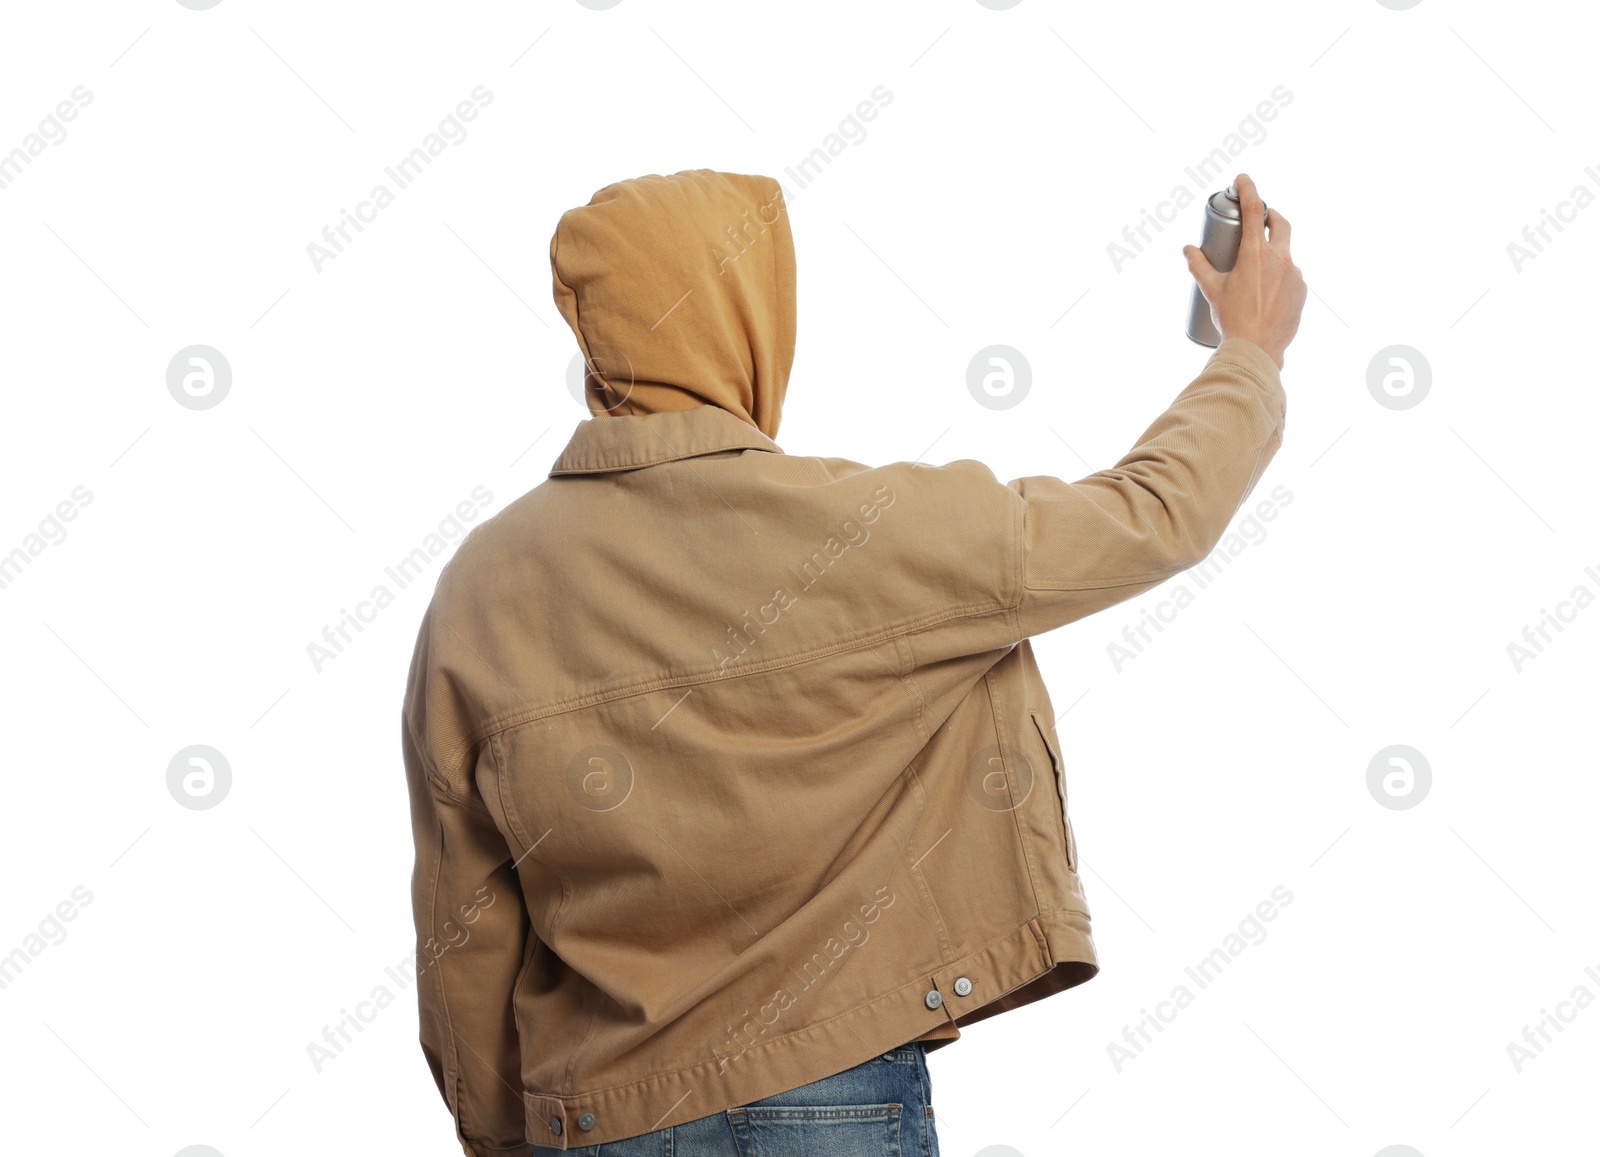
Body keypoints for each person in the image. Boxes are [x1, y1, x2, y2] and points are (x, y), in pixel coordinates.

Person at [401, 168, 1305, 1155]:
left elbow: (464, 918)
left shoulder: (481, 587)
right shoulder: (868, 532)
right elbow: (1150, 514)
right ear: (752, 316)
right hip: (832, 1094)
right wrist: (1250, 351)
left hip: (598, 1118)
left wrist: (503, 1136)